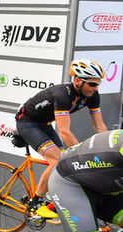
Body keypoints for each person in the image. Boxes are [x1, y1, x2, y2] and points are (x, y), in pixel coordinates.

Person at [16, 59, 108, 219]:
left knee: (66, 161)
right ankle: (35, 202)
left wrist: (106, 147)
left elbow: (99, 127)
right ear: (78, 81)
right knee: (58, 160)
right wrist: (83, 152)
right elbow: (64, 132)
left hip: (44, 124)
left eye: (98, 84)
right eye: (92, 84)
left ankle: (56, 193)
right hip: (28, 123)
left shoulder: (92, 95)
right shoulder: (62, 95)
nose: (96, 88)